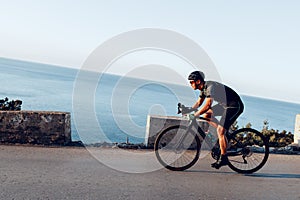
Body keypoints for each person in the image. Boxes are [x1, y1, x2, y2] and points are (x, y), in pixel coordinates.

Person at [188, 71, 244, 169]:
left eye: (191, 82)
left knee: (220, 131)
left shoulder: (210, 86)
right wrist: (190, 109)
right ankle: (223, 133)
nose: (190, 84)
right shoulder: (203, 88)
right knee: (207, 115)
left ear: (198, 81)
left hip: (234, 106)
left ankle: (224, 158)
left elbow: (208, 104)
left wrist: (196, 114)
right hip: (225, 105)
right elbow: (199, 102)